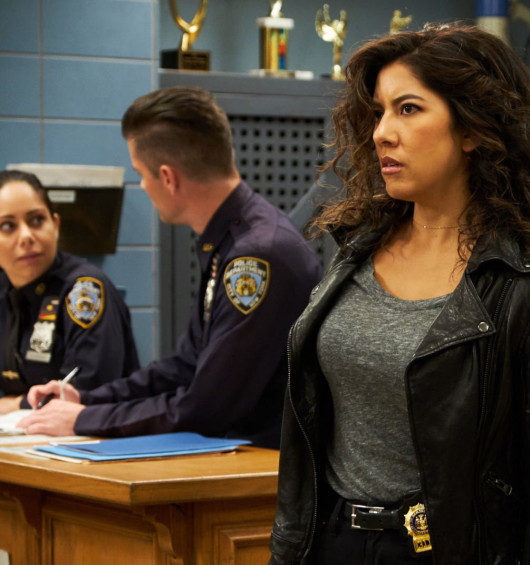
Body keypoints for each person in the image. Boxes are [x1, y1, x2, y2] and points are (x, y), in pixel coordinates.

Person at [256, 24, 530, 565]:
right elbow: (307, 438)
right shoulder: (353, 248)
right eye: (379, 111)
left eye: (409, 109)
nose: (383, 131)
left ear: (473, 128)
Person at [17, 87, 322, 448]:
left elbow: (206, 408)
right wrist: (85, 400)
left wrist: (83, 420)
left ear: (168, 177)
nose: (142, 185)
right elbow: (185, 366)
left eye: (141, 174)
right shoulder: (231, 241)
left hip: (265, 467)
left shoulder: (256, 257)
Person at [0, 170, 140, 412]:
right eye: (7, 226)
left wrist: (13, 404)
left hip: (93, 431)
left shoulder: (85, 290)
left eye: (36, 220)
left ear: (55, 225)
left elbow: (85, 395)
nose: (26, 236)